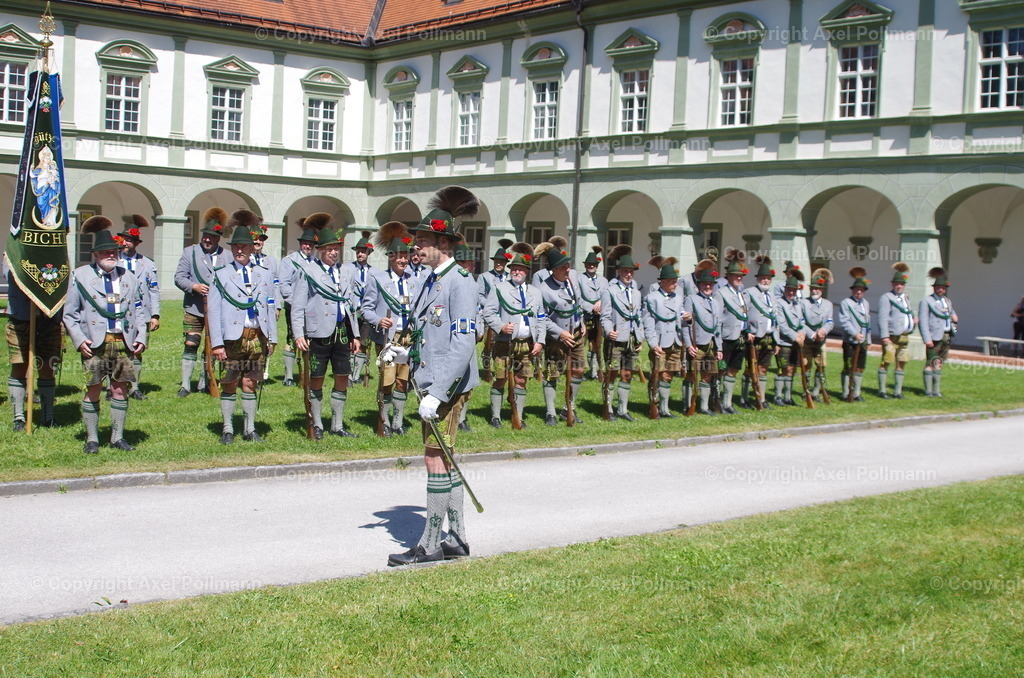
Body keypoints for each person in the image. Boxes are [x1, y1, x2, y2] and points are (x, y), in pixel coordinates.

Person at [388, 186, 481, 566]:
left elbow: (462, 344)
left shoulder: (460, 282)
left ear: (443, 243)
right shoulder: (430, 280)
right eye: (416, 241)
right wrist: (406, 352)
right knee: (444, 458)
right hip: (433, 380)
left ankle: (429, 546)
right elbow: (434, 335)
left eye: (423, 241)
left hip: (448, 386)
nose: (416, 247)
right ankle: (457, 538)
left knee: (435, 460)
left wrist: (438, 392)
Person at [63, 216, 148, 453]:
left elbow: (139, 310)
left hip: (123, 341)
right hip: (95, 343)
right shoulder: (80, 276)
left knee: (120, 389)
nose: (111, 255)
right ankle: (92, 439)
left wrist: (141, 336)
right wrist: (79, 340)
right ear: (96, 255)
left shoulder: (128, 277)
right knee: (93, 388)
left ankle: (117, 437)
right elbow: (69, 314)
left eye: (113, 251)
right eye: (105, 252)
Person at [207, 211, 277, 443]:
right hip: (232, 338)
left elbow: (269, 306)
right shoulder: (221, 275)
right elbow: (214, 311)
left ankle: (249, 428)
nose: (240, 250)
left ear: (251, 248)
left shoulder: (263, 274)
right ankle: (228, 429)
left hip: (256, 336)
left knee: (250, 382)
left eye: (244, 246)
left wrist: (272, 337)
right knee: (229, 382)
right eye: (236, 246)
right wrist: (216, 343)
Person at [291, 214, 360, 439]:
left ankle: (337, 424)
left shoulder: (347, 271)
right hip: (317, 332)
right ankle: (318, 423)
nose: (332, 252)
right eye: (328, 249)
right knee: (317, 378)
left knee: (342, 376)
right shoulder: (309, 271)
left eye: (335, 248)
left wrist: (356, 335)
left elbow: (350, 305)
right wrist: (298, 333)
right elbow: (298, 305)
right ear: (320, 250)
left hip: (341, 332)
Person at [362, 222, 419, 436]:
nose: (403, 260)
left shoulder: (415, 281)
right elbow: (365, 308)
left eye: (406, 256)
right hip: (388, 337)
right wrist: (378, 320)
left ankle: (398, 422)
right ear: (391, 257)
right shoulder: (377, 279)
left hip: (407, 337)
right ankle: (383, 420)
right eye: (399, 256)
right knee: (387, 381)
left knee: (403, 381)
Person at [483, 242, 545, 428]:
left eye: (520, 269)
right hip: (504, 342)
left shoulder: (536, 292)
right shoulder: (499, 288)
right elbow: (488, 312)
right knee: (501, 377)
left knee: (521, 379)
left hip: (526, 343)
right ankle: (495, 416)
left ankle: (518, 414)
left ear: (527, 272)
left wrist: (540, 341)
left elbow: (541, 318)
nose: (517, 272)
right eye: (514, 269)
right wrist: (501, 326)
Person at [3, 257, 63, 431]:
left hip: (49, 319)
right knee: (20, 367)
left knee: (47, 368)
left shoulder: (57, 253)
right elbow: (10, 274)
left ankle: (47, 416)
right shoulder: (14, 251)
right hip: (21, 318)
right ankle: (19, 417)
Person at [173, 207, 226, 397]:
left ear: (218, 238)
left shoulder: (226, 256)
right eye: (205, 236)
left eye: (212, 237)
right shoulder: (190, 252)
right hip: (194, 307)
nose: (208, 240)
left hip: (217, 310)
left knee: (212, 345)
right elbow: (179, 277)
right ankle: (185, 385)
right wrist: (194, 286)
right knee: (191, 342)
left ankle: (206, 381)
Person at [536, 240, 585, 425]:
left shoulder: (571, 281)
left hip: (577, 336)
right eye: (564, 267)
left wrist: (582, 322)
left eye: (568, 266)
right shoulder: (543, 289)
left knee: (578, 370)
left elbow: (576, 304)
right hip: (557, 338)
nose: (568, 270)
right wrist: (560, 333)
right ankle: (550, 412)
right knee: (552, 373)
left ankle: (569, 408)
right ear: (554, 269)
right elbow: (542, 318)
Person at [115, 215, 160, 400]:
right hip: (117, 312)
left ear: (136, 243)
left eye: (128, 240)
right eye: (123, 239)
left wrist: (155, 314)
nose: (124, 243)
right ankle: (116, 387)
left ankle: (134, 387)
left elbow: (154, 290)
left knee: (137, 349)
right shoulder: (114, 261)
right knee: (117, 350)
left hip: (142, 313)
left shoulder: (147, 264)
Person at [600, 245, 646, 421]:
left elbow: (639, 315)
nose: (629, 274)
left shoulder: (636, 293)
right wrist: (608, 331)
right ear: (619, 271)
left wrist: (640, 337)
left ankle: (623, 409)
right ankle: (608, 408)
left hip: (631, 339)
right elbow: (604, 316)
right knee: (612, 373)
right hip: (616, 338)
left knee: (627, 374)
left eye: (631, 271)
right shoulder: (610, 291)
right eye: (625, 271)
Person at [277, 220, 319, 387]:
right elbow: (284, 285)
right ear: (300, 244)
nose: (307, 246)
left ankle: (308, 373)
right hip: (294, 307)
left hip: (312, 309)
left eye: (310, 244)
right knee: (292, 338)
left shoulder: (316, 262)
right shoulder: (289, 260)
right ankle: (288, 376)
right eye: (305, 243)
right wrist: (296, 304)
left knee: (312, 339)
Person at [643, 256, 684, 418]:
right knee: (656, 375)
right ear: (663, 282)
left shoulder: (678, 298)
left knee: (668, 375)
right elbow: (648, 323)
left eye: (676, 281)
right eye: (672, 281)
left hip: (675, 341)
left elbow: (680, 319)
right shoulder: (652, 298)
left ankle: (665, 408)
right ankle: (654, 405)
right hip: (660, 343)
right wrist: (653, 344)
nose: (675, 284)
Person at [682, 268, 723, 415]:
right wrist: (688, 344)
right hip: (696, 344)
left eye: (710, 284)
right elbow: (686, 324)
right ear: (699, 285)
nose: (707, 287)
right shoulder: (691, 299)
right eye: (705, 284)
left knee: (708, 374)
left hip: (711, 344)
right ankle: (687, 405)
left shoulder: (716, 303)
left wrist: (719, 348)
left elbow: (718, 326)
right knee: (691, 375)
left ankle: (704, 407)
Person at [714, 247, 749, 414]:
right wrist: (718, 344)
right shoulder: (721, 293)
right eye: (736, 275)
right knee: (721, 369)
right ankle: (717, 401)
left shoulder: (742, 294)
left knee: (734, 369)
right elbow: (717, 319)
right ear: (728, 276)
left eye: (741, 276)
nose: (739, 278)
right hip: (726, 338)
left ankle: (728, 402)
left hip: (740, 337)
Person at [743, 255, 778, 410]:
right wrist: (747, 331)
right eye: (763, 278)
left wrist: (776, 340)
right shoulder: (749, 293)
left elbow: (776, 318)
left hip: (769, 336)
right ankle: (745, 398)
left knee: (764, 368)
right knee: (750, 369)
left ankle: (761, 398)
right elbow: (743, 313)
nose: (766, 281)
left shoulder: (772, 296)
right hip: (755, 336)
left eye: (768, 278)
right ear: (758, 279)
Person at [877, 262, 916, 399]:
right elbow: (882, 318)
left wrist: (913, 321)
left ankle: (897, 391)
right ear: (892, 284)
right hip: (892, 336)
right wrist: (884, 336)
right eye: (896, 284)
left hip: (904, 336)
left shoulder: (906, 297)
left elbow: (908, 312)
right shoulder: (886, 297)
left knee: (901, 362)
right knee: (886, 362)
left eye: (901, 284)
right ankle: (882, 390)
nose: (899, 286)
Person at [919, 267, 958, 397]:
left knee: (939, 363)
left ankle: (936, 390)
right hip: (934, 336)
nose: (940, 289)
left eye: (942, 287)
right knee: (930, 362)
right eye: (938, 287)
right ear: (934, 288)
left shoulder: (947, 301)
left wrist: (954, 315)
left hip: (946, 335)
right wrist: (927, 338)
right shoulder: (927, 301)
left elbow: (950, 313)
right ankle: (928, 391)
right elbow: (923, 321)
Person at [343, 230, 374, 384]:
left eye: (363, 251)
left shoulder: (374, 272)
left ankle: (356, 375)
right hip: (352, 311)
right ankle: (348, 374)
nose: (360, 254)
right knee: (351, 342)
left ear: (369, 253)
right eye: (358, 251)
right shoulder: (347, 269)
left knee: (363, 342)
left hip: (366, 312)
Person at [251, 223, 280, 381]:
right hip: (250, 305)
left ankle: (259, 373)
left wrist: (277, 306)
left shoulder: (270, 261)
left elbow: (275, 285)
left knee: (266, 338)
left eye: (261, 240)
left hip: (267, 304)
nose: (258, 243)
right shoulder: (245, 260)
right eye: (255, 240)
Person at [839, 267, 872, 401]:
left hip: (862, 341)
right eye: (857, 289)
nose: (859, 292)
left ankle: (856, 393)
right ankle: (846, 393)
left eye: (861, 290)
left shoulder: (866, 304)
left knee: (859, 368)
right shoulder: (846, 303)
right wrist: (854, 334)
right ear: (852, 290)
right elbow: (845, 321)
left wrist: (868, 340)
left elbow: (867, 323)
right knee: (848, 367)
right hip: (850, 341)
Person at [801, 269, 835, 401]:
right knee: (806, 364)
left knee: (821, 365)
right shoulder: (803, 303)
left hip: (821, 339)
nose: (815, 291)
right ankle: (806, 391)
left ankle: (816, 391)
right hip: (808, 339)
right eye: (813, 288)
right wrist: (812, 334)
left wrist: (823, 331)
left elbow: (830, 321)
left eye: (817, 289)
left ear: (822, 290)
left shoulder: (828, 304)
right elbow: (801, 321)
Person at [774, 275, 807, 406]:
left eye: (794, 290)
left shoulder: (797, 304)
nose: (791, 292)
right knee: (784, 369)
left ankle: (788, 396)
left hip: (796, 342)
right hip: (784, 342)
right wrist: (796, 336)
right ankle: (778, 397)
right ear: (785, 289)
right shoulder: (779, 303)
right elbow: (781, 324)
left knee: (792, 369)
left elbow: (802, 321)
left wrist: (802, 334)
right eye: (789, 290)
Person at [578, 246, 607, 380]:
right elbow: (578, 298)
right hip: (585, 315)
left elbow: (607, 296)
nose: (591, 266)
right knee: (583, 344)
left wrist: (601, 304)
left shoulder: (604, 281)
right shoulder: (579, 279)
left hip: (600, 316)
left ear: (597, 265)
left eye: (594, 264)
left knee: (597, 344)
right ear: (585, 265)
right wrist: (591, 307)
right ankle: (581, 370)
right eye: (589, 264)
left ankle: (594, 371)